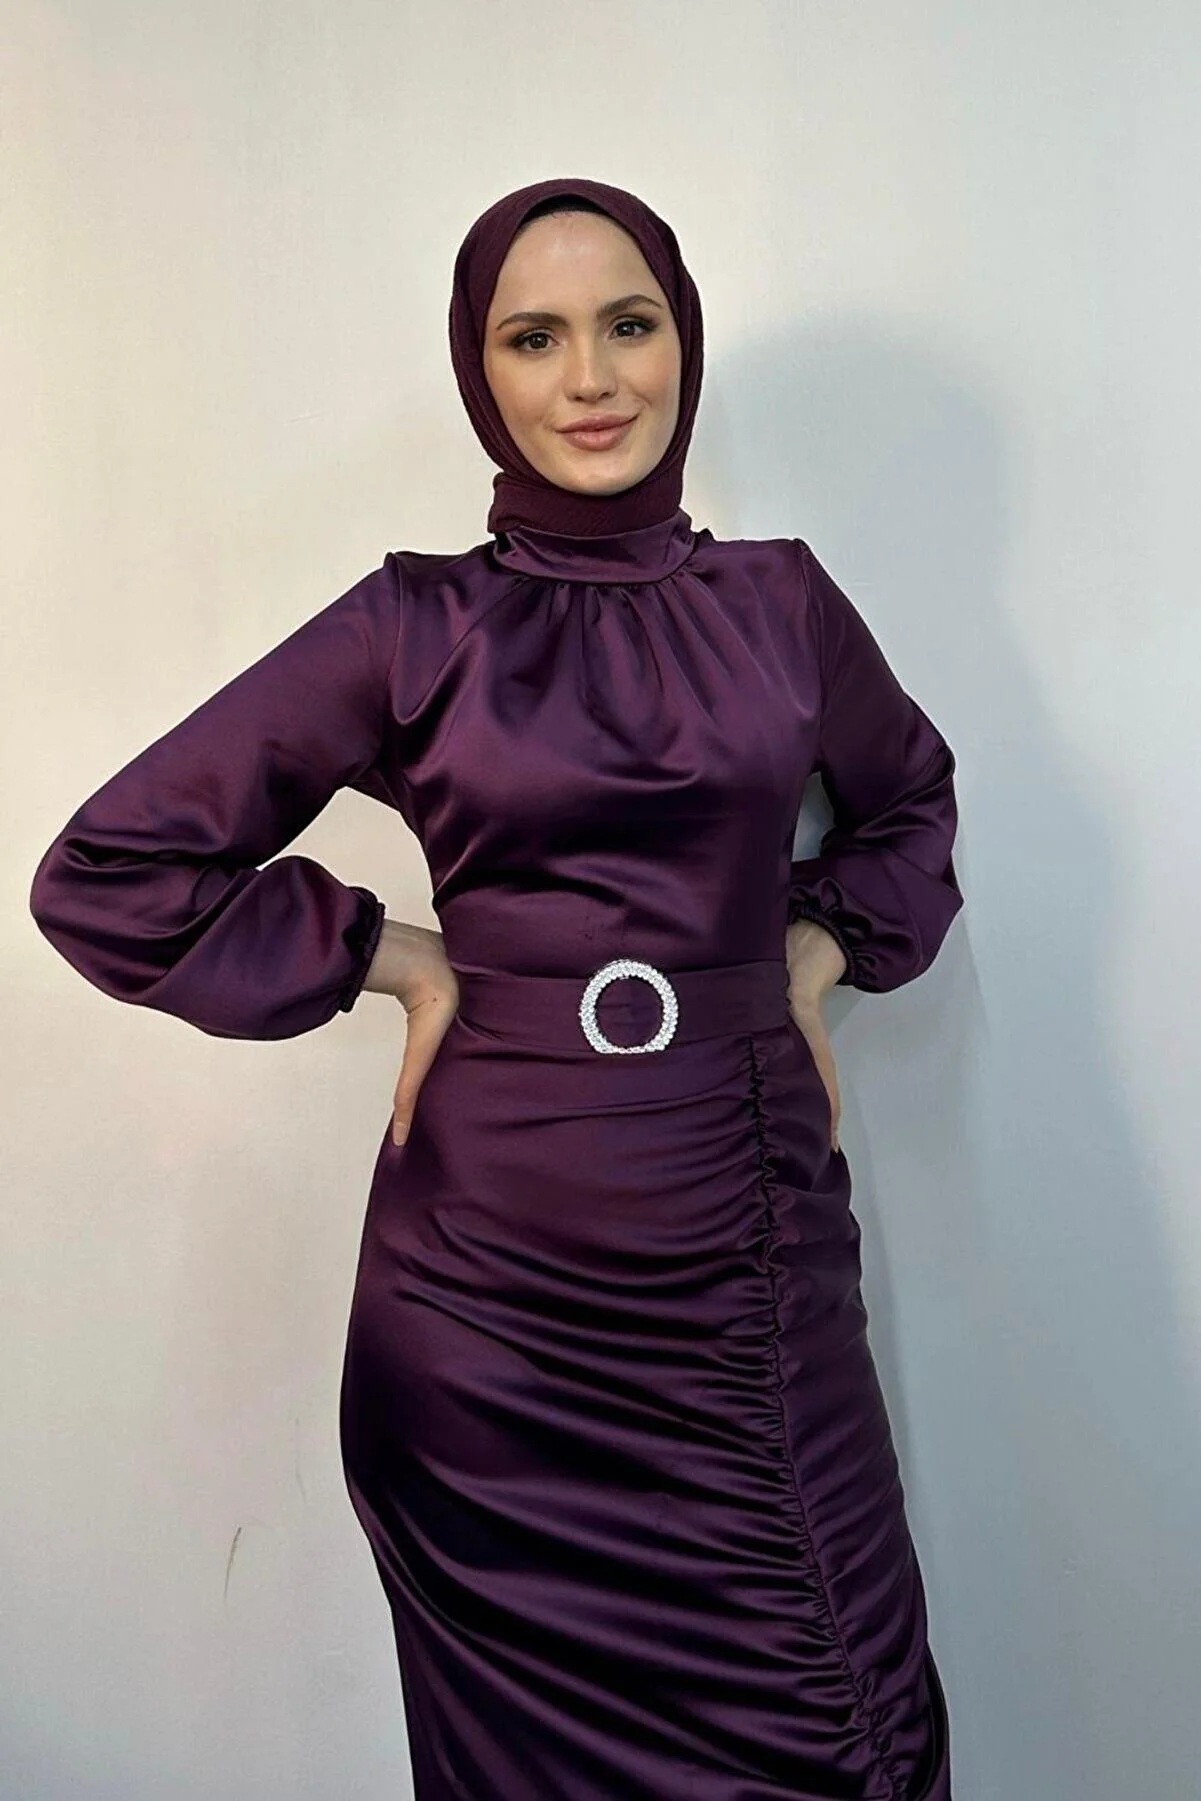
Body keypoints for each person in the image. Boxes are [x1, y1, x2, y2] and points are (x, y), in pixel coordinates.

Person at [29, 176, 964, 1800]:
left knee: (841, 1721)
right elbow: (109, 873)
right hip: (487, 1328)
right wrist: (388, 959)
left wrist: (811, 956)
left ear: (682, 344)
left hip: (748, 1275)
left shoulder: (784, 605)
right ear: (479, 368)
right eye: (534, 338)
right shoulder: (415, 626)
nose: (590, 379)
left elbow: (911, 813)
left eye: (629, 325)